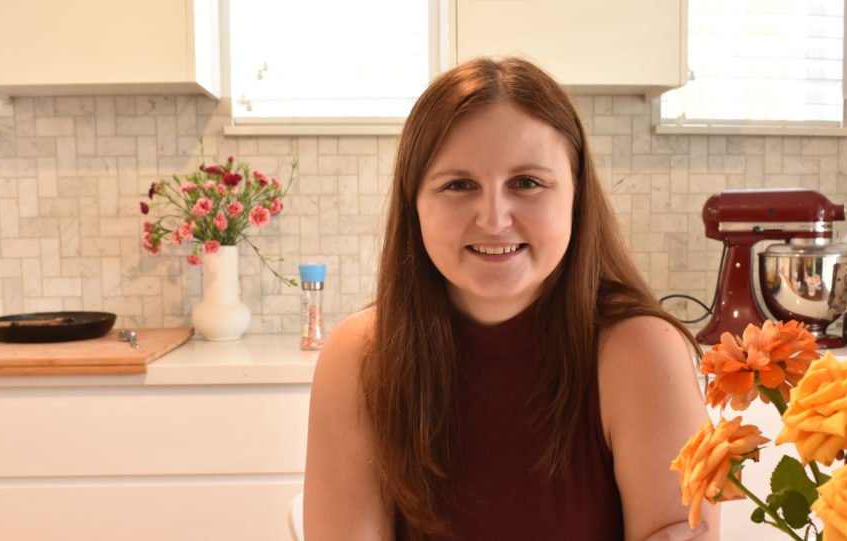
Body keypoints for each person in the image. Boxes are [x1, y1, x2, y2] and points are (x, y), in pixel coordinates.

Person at [304, 57, 717, 541]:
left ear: (576, 196)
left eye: (527, 183)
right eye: (459, 185)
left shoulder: (643, 351)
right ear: (413, 202)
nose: (494, 219)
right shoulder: (358, 356)